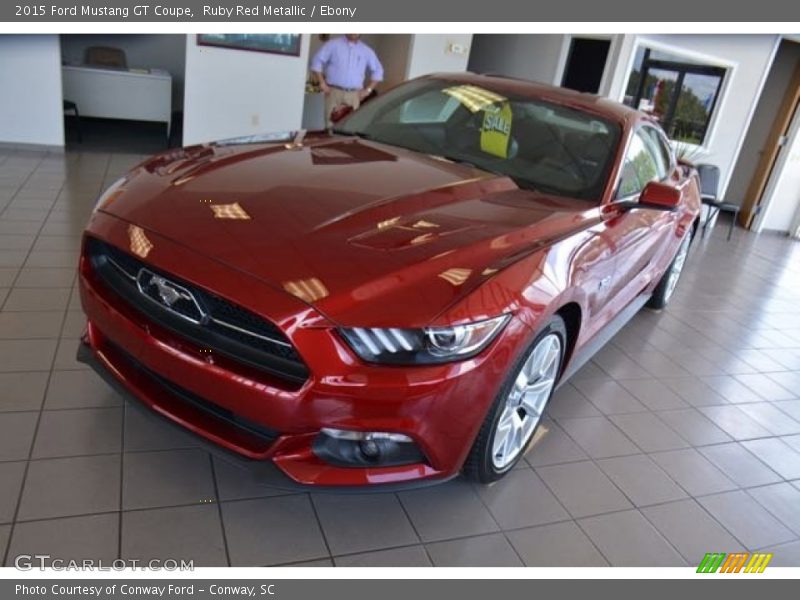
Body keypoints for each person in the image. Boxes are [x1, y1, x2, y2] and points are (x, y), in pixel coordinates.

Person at [310, 34, 384, 128]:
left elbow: (378, 70)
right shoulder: (332, 45)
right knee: (330, 126)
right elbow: (317, 61)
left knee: (350, 127)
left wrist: (368, 90)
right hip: (333, 93)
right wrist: (322, 83)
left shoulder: (366, 51)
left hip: (354, 96)